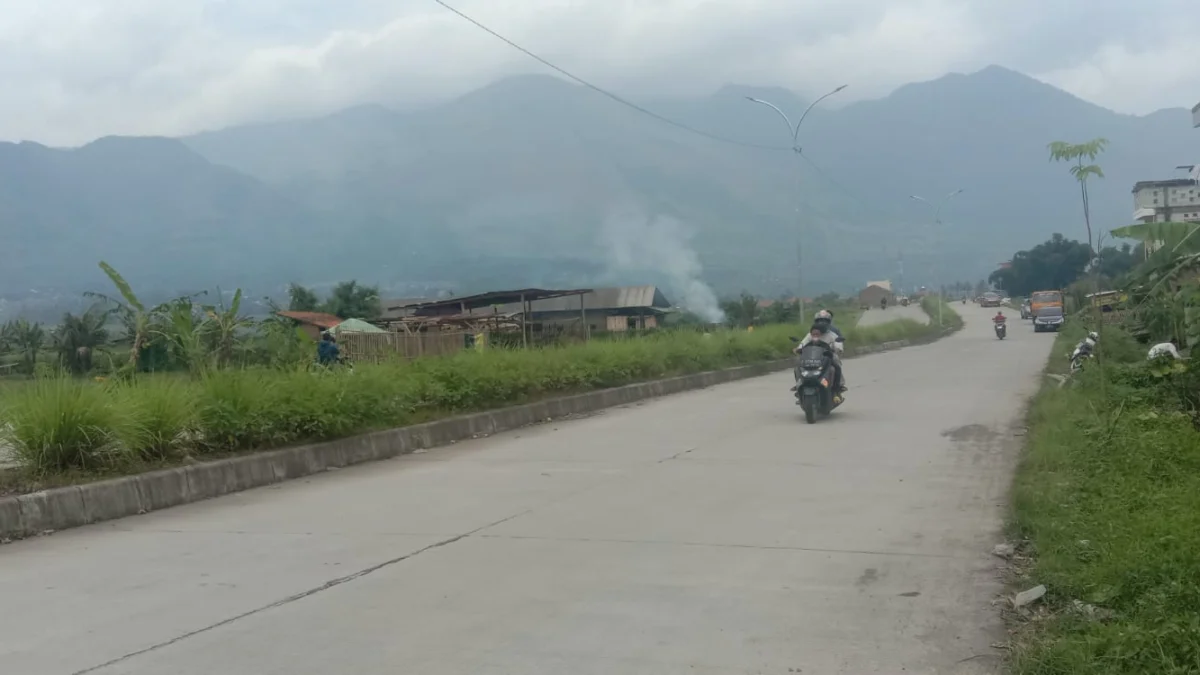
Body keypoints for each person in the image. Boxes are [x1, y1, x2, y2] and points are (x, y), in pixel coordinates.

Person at [794, 315, 846, 391]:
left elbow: (838, 346)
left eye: (824, 321)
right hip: (812, 356)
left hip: (827, 356)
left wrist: (837, 349)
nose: (822, 323)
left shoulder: (832, 335)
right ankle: (799, 383)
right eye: (819, 321)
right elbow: (803, 344)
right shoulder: (810, 335)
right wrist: (798, 349)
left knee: (836, 362)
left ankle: (840, 384)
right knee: (798, 364)